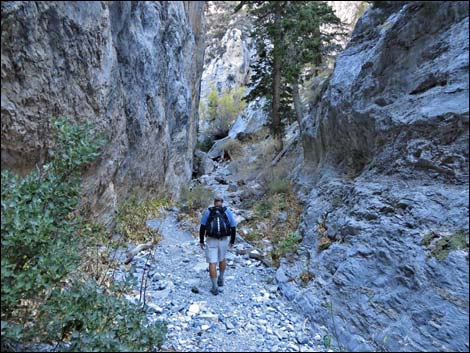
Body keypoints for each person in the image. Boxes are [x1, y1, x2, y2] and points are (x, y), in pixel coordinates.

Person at [199, 196, 237, 295]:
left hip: (211, 240)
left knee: (212, 263)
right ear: (222, 202)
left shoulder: (208, 211)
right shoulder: (227, 211)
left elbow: (202, 227)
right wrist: (232, 241)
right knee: (222, 258)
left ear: (214, 202)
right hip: (224, 239)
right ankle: (221, 278)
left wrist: (201, 240)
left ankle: (214, 287)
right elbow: (233, 226)